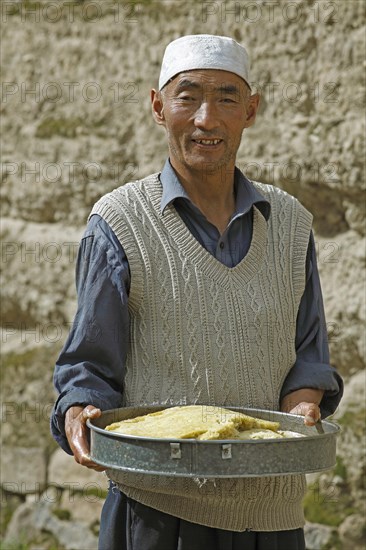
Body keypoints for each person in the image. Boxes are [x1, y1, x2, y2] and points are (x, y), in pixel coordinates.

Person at [51, 34, 343, 550]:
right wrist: (80, 413)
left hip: (272, 514)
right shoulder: (121, 222)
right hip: (158, 515)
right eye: (187, 97)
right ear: (159, 107)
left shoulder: (292, 224)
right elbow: (89, 367)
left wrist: (302, 409)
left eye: (227, 98)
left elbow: (308, 358)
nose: (206, 119)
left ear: (250, 111)